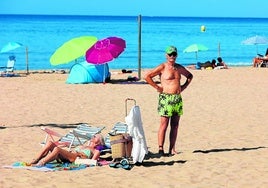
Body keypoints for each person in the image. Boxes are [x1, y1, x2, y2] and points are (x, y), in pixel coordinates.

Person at [144, 46, 193, 156]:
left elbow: (190, 76)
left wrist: (184, 86)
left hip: (177, 99)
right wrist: (157, 87)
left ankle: (172, 149)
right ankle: (161, 149)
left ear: (176, 55)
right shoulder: (162, 67)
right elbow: (147, 76)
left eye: (174, 54)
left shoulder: (179, 68)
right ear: (166, 55)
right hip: (166, 98)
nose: (172, 56)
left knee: (175, 125)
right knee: (164, 124)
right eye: (170, 54)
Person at [29, 133, 105, 166]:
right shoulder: (84, 145)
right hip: (69, 154)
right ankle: (36, 159)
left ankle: (42, 162)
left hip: (75, 158)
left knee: (57, 149)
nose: (93, 136)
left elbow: (92, 161)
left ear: (99, 142)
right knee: (50, 143)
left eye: (95, 137)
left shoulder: (96, 150)